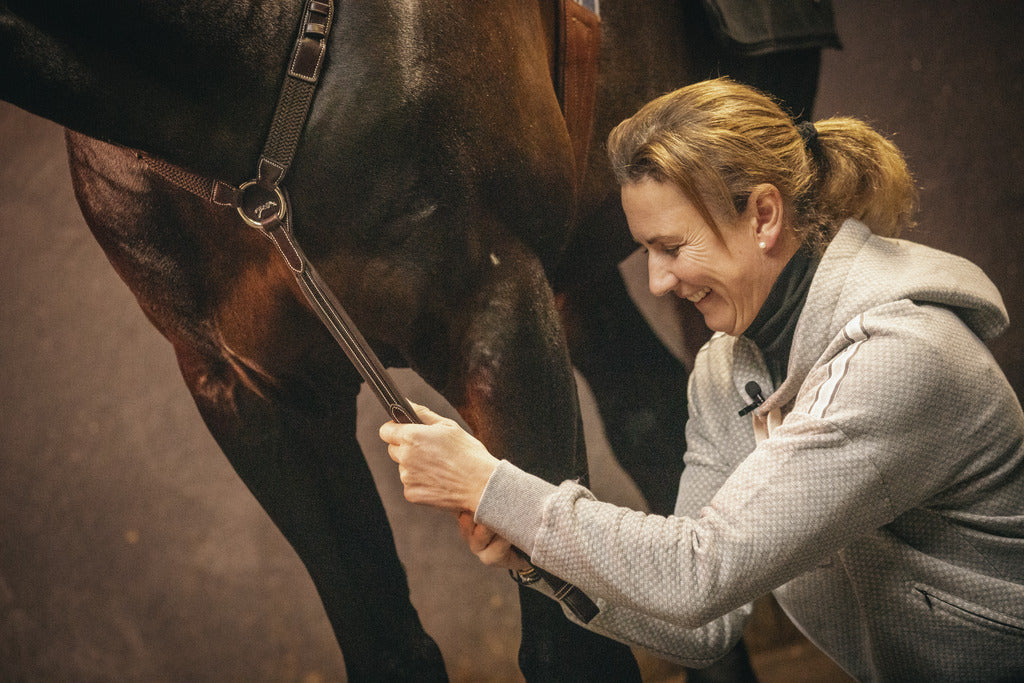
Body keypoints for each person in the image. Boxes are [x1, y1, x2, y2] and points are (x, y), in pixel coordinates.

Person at [379, 78, 1024, 680]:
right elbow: (706, 621)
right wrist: (535, 555)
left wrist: (492, 484)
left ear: (764, 217)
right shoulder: (727, 367)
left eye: (672, 247)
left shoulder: (897, 356)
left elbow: (699, 570)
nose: (657, 282)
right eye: (646, 251)